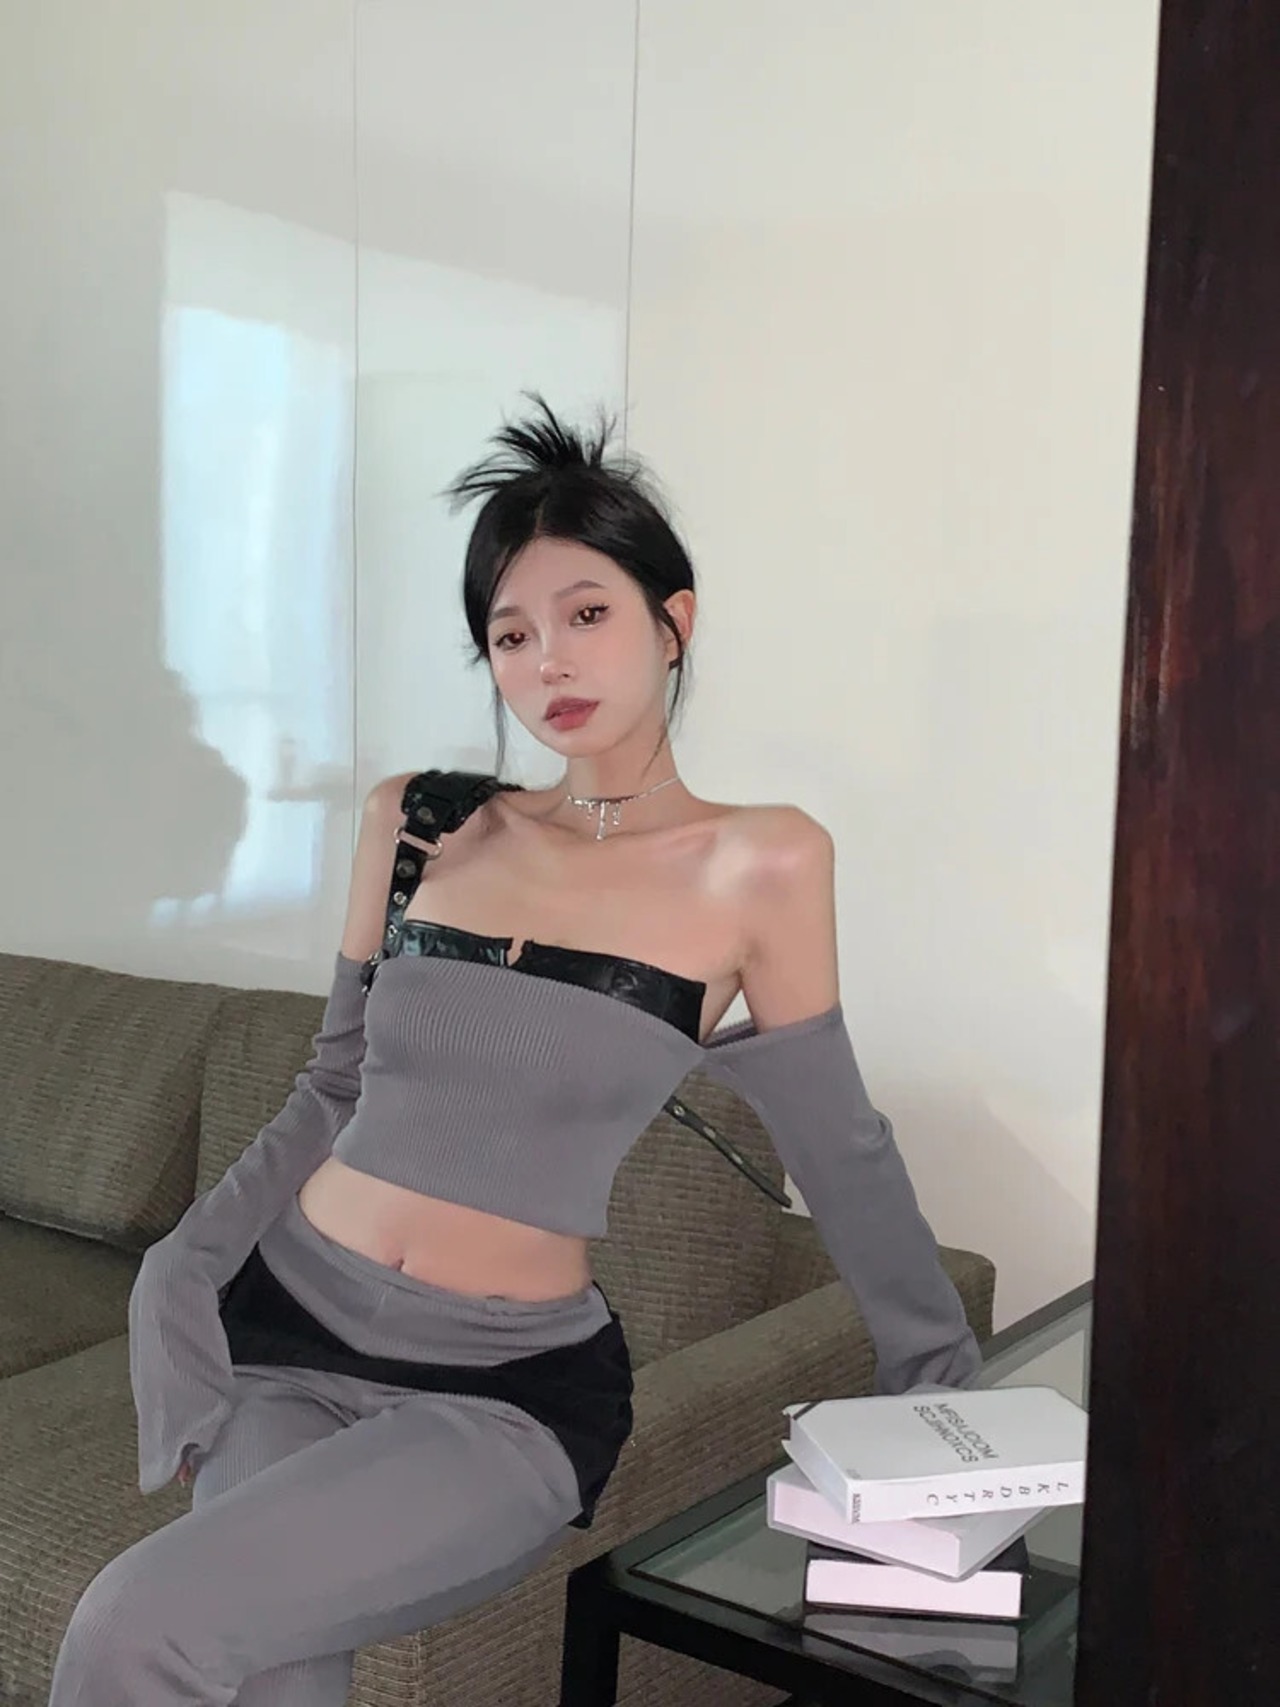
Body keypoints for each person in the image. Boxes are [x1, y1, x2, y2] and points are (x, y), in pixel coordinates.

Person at [49, 398, 981, 1706]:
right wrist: (185, 1266)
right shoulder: (422, 821)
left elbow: (844, 1157)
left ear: (674, 621)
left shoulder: (761, 862)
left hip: (500, 1394)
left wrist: (945, 1402)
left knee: (135, 1623)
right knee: (276, 1683)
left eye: (587, 613)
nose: (551, 661)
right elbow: (332, 1084)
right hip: (284, 1334)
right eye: (512, 633)